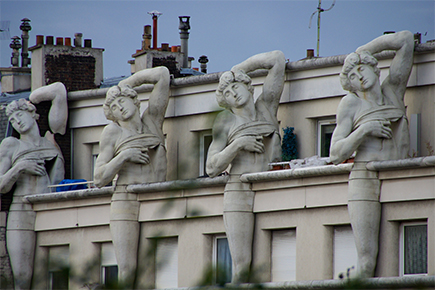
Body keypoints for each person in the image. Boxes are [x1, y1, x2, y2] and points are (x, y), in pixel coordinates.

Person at [330, 31, 415, 278]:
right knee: (367, 261)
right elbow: (335, 153)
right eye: (353, 76)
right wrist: (364, 130)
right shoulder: (351, 104)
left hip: (397, 173)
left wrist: (360, 51)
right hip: (364, 178)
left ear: (374, 68)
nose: (359, 77)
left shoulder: (393, 91)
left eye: (362, 69)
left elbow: (406, 40)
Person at [206, 50, 286, 283]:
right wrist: (238, 144)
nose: (234, 94)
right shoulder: (226, 121)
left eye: (236, 86)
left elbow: (277, 60)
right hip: (238, 189)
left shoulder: (266, 108)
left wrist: (236, 70)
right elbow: (211, 167)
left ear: (248, 86)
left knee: (276, 251)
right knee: (242, 269)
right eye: (228, 93)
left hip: (270, 185)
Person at [94, 66, 170, 288]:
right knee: (127, 270)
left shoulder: (152, 121)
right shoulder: (113, 132)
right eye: (114, 108)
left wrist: (125, 84)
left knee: (155, 266)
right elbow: (98, 178)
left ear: (134, 100)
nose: (120, 108)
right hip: (124, 200)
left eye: (122, 101)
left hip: (154, 197)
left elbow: (162, 75)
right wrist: (124, 156)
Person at [0, 82, 67, 290]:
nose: (17, 121)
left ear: (32, 113)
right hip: (22, 208)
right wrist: (19, 168)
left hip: (47, 207)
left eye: (19, 115)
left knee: (45, 273)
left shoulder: (50, 143)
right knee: (22, 276)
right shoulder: (12, 144)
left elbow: (59, 91)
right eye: (12, 120)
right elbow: (1, 185)